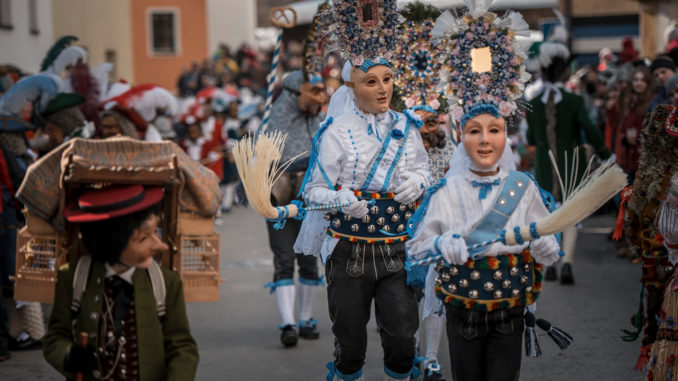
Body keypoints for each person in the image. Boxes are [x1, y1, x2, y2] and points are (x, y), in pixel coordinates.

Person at [406, 4, 562, 381]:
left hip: (509, 307)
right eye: (474, 130)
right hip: (463, 307)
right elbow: (416, 247)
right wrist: (443, 244)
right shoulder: (445, 190)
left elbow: (546, 238)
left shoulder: (522, 188)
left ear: (505, 134)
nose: (485, 139)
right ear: (461, 135)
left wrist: (546, 249)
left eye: (493, 129)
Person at [296, 1, 431, 379]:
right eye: (371, 82)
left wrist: (419, 182)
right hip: (349, 251)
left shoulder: (407, 125)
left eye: (387, 79)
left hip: (397, 248)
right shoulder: (336, 132)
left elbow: (424, 168)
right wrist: (339, 198)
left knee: (404, 343)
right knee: (350, 348)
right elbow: (312, 193)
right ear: (352, 87)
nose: (383, 89)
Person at [43, 184, 199, 380]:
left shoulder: (167, 282)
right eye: (143, 238)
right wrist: (67, 356)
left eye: (155, 232)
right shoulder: (72, 276)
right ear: (113, 242)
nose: (160, 245)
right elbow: (55, 337)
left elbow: (182, 347)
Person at [525, 31, 612, 284]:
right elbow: (590, 129)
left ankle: (550, 263)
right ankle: (567, 262)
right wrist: (606, 155)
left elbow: (531, 138)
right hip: (570, 164)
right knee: (572, 213)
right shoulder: (573, 101)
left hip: (543, 165)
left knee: (550, 213)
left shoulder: (535, 103)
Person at [263, 69, 327, 347]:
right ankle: (288, 321)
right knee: (284, 257)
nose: (320, 98)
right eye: (313, 91)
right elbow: (262, 153)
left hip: (310, 192)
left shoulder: (321, 120)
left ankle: (306, 317)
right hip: (279, 191)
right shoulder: (275, 121)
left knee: (309, 257)